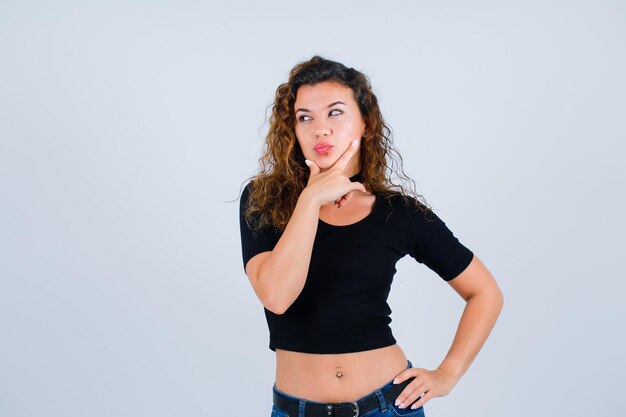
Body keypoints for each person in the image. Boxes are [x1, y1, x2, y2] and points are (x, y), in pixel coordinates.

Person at [238, 55, 504, 417]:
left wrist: (447, 374)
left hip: (388, 406)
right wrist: (312, 198)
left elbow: (485, 292)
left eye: (335, 112)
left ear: (365, 123)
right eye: (305, 117)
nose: (320, 129)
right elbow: (276, 296)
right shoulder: (264, 200)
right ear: (293, 130)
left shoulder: (398, 213)